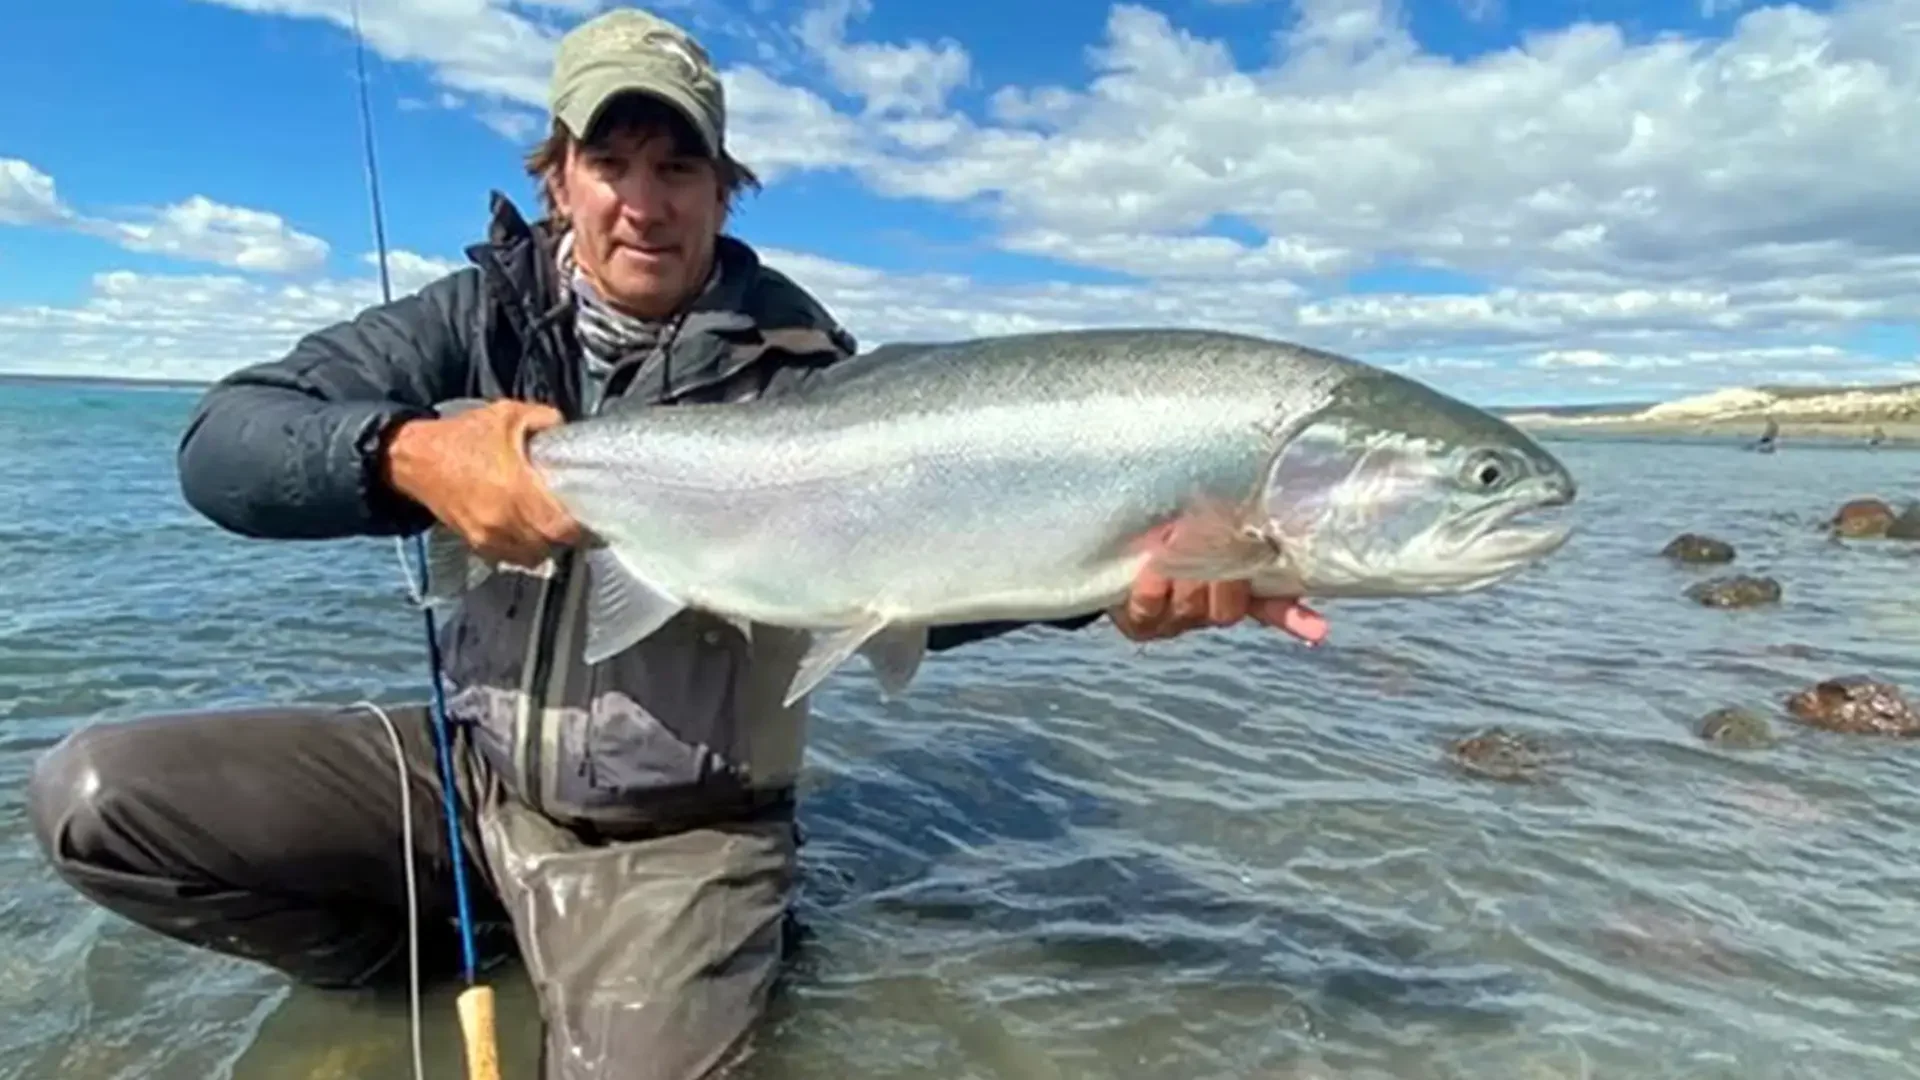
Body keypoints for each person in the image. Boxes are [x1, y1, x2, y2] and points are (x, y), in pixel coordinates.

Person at [25, 7, 1328, 1079]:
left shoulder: (808, 376)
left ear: (722, 184)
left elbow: (935, 574)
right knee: (96, 799)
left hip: (683, 833)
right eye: (612, 163)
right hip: (469, 782)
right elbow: (224, 449)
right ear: (559, 177)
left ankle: (662, 949)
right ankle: (418, 967)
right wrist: (409, 455)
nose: (643, 204)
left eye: (679, 167)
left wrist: (1112, 589)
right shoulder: (475, 317)